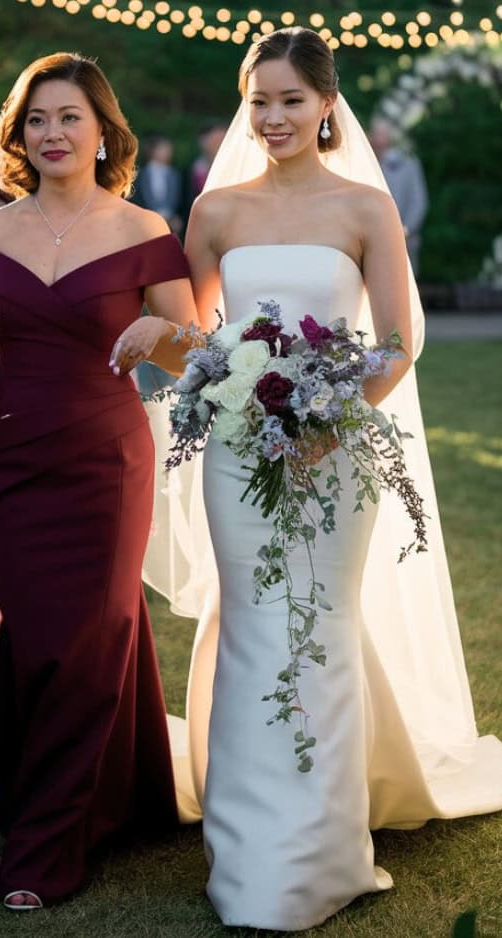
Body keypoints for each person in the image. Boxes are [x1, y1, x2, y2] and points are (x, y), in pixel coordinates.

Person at [145, 28, 502, 932]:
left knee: (323, 629)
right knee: (253, 623)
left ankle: (324, 850)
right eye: (258, 101)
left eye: (290, 101)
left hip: (335, 453)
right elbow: (198, 343)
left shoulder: (364, 211)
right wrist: (173, 350)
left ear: (325, 105)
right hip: (236, 449)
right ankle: (247, 844)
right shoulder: (215, 211)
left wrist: (324, 416)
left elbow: (394, 342)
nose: (271, 117)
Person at [0, 51, 197, 911]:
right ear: (18, 134)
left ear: (101, 130)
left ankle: (44, 851)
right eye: (36, 120)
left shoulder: (143, 230)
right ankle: (123, 798)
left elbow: (194, 348)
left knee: (93, 636)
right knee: (35, 639)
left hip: (108, 460)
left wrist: (153, 332)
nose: (52, 133)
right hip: (17, 459)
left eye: (68, 117)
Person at [369, 116, 428, 276]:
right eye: (376, 134)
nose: (379, 139)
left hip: (404, 240)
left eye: (383, 134)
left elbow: (418, 202)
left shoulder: (408, 164)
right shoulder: (366, 164)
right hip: (369, 241)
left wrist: (405, 230)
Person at [132, 135, 183, 234]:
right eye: (163, 149)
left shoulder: (175, 174)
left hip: (171, 225)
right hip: (145, 223)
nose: (168, 152)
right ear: (152, 151)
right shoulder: (139, 174)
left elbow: (180, 201)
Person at [188, 121, 228, 200]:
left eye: (222, 140)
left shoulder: (236, 170)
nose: (219, 145)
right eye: (215, 140)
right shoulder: (190, 171)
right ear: (202, 141)